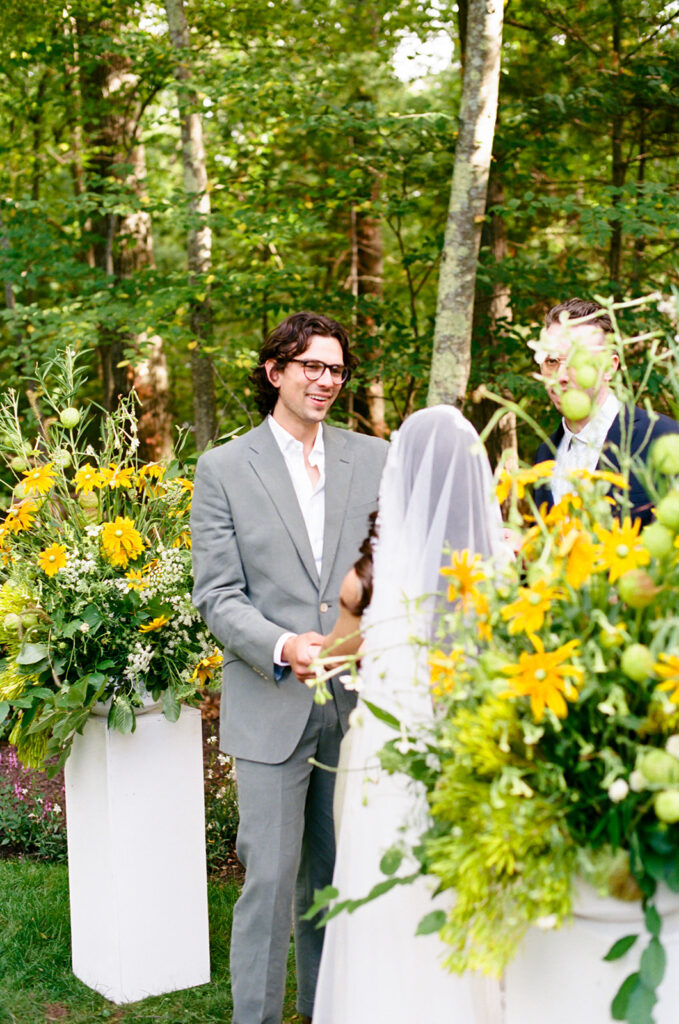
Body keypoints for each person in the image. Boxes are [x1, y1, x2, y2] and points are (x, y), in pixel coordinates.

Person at [190, 311, 388, 1024]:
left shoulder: (374, 459)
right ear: (275, 371)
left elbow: (388, 565)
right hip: (270, 702)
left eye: (336, 369)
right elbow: (215, 595)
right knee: (270, 883)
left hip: (358, 706)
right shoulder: (221, 469)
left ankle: (334, 1012)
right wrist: (285, 646)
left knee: (337, 884)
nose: (326, 381)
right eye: (312, 366)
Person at [313, 405, 507, 1024]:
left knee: (381, 897)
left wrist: (301, 650)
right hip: (468, 753)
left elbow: (336, 655)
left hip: (382, 763)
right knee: (457, 898)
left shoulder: (367, 578)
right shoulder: (497, 575)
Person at [531, 297, 679, 524]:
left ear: (610, 367)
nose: (560, 376)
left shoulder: (663, 438)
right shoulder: (544, 456)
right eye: (551, 361)